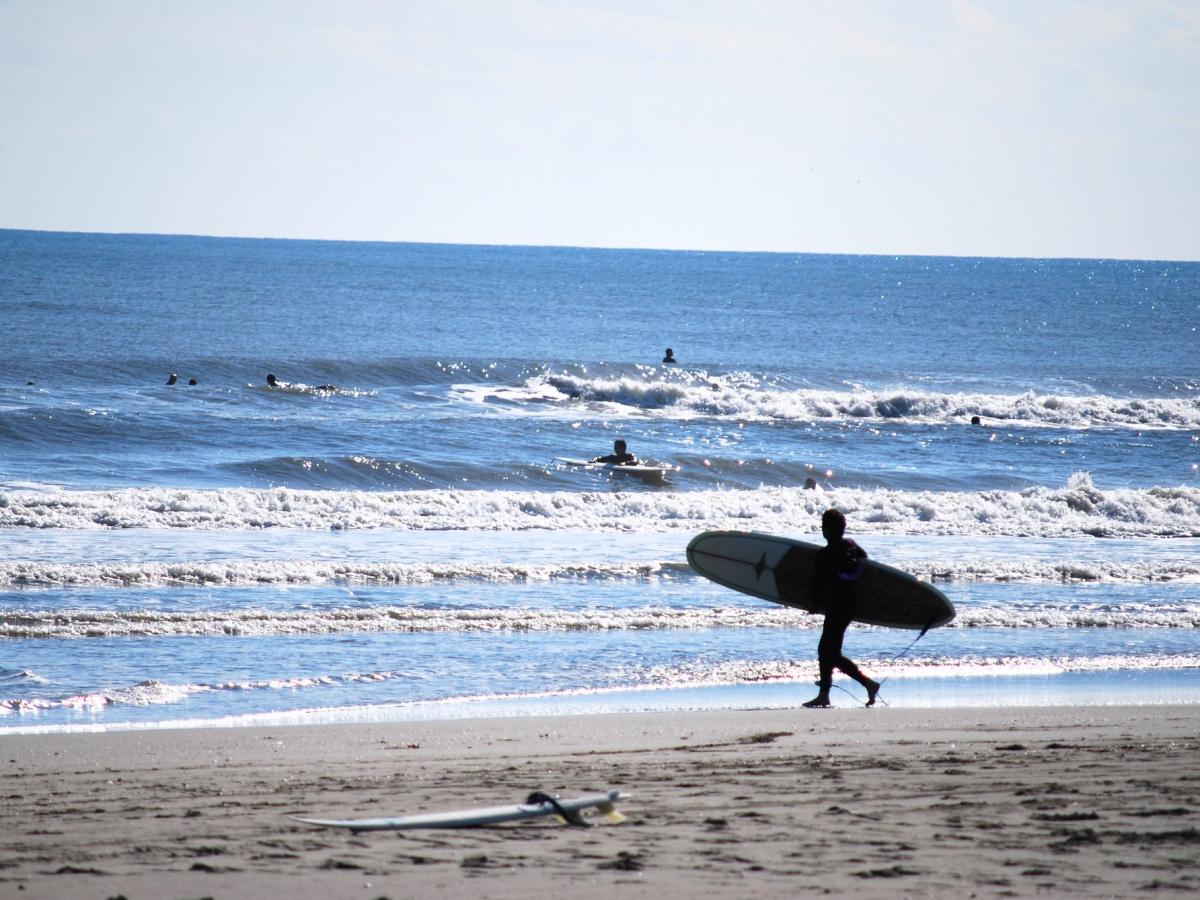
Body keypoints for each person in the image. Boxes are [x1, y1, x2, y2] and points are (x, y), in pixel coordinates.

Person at [803, 508, 880, 709]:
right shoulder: (852, 546)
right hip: (850, 605)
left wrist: (813, 604)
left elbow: (817, 583)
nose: (822, 529)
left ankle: (867, 684)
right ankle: (825, 693)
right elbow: (866, 563)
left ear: (827, 530)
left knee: (829, 652)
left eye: (823, 526)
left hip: (836, 607)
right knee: (827, 650)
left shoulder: (824, 554)